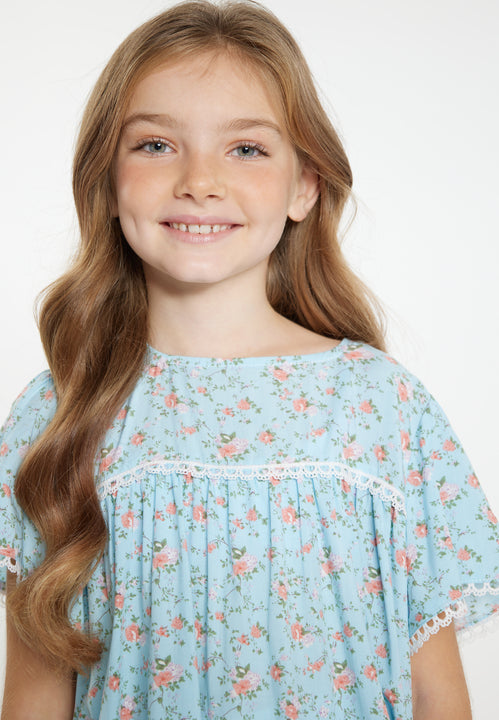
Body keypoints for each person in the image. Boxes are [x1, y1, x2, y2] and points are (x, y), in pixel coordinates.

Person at [1, 1, 498, 718]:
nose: (200, 181)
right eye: (155, 145)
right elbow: (33, 698)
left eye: (246, 149)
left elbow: (437, 696)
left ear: (305, 186)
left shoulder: (382, 406)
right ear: (106, 181)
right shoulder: (58, 412)